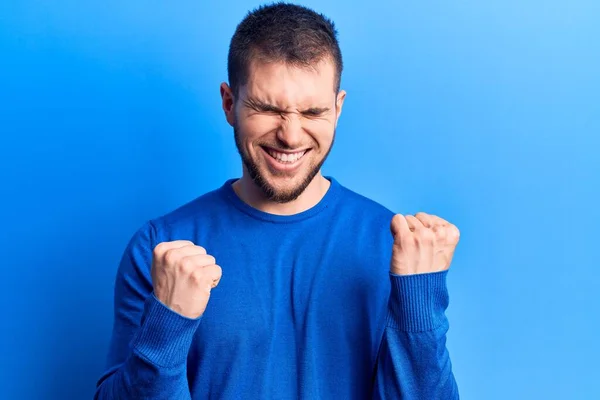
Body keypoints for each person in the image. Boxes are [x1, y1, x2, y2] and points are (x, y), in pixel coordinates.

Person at [95, 3, 460, 399]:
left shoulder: (392, 248)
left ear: (337, 108)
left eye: (313, 111)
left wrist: (419, 300)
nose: (291, 135)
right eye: (267, 108)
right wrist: (167, 323)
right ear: (229, 103)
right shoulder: (160, 247)